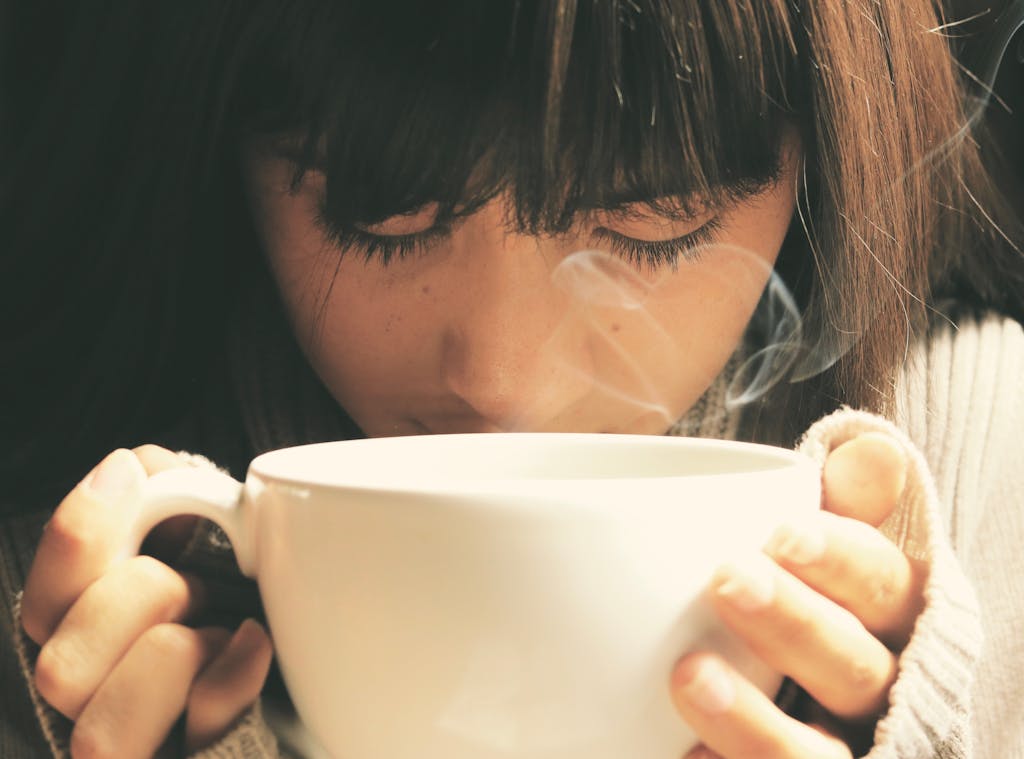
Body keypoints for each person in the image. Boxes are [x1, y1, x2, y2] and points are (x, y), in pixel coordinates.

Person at [1, 1, 1022, 757]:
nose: (498, 382)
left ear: (824, 156)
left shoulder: (987, 465)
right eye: (378, 214)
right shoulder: (75, 558)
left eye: (650, 221)